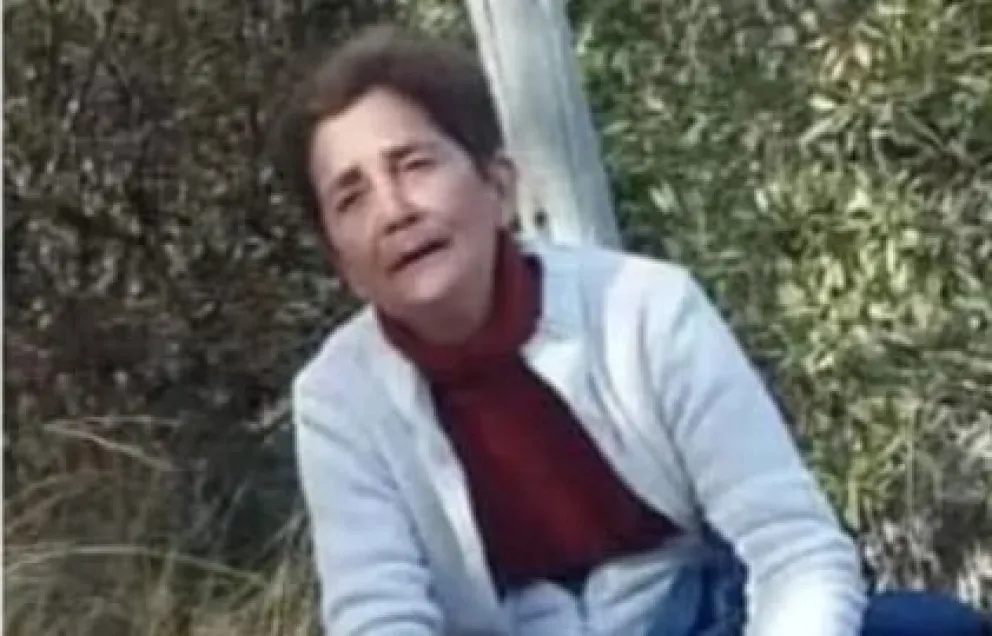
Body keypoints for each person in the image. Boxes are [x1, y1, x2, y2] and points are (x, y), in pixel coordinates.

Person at [273, 24, 990, 636]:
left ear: (499, 187)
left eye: (414, 165)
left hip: (701, 614)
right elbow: (379, 618)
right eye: (351, 196)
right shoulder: (339, 398)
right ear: (342, 262)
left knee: (927, 628)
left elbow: (793, 546)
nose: (394, 210)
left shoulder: (645, 309)